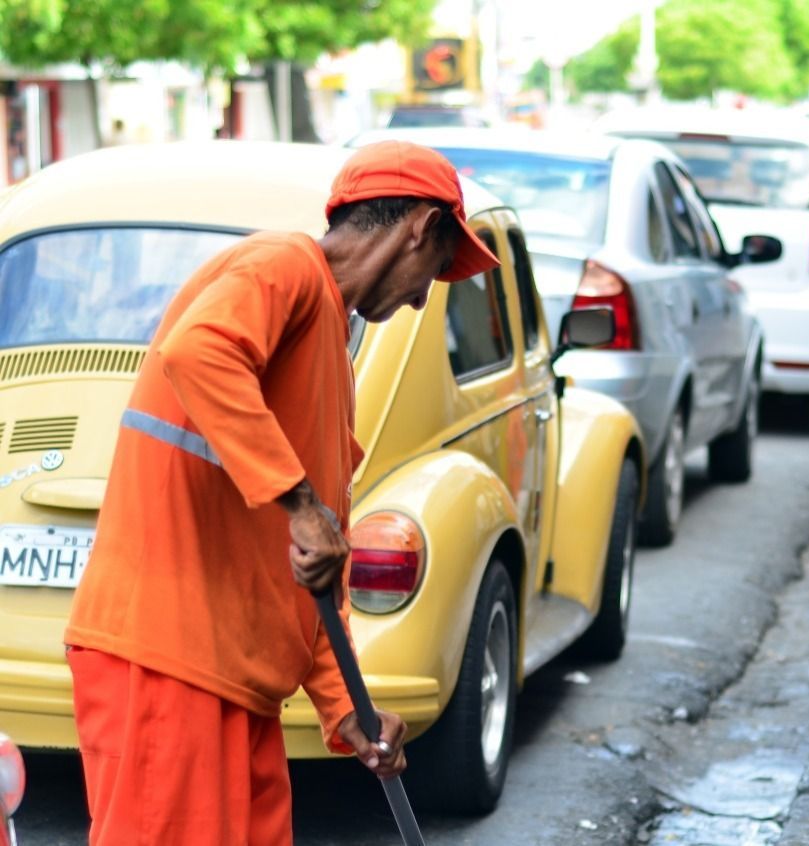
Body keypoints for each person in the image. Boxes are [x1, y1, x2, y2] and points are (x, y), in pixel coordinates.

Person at [64, 140, 500, 844]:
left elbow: (312, 569)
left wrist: (345, 707)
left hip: (237, 680)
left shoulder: (331, 351)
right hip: (167, 663)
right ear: (418, 225)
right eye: (436, 268)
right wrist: (301, 506)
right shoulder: (284, 263)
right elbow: (198, 352)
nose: (425, 295)